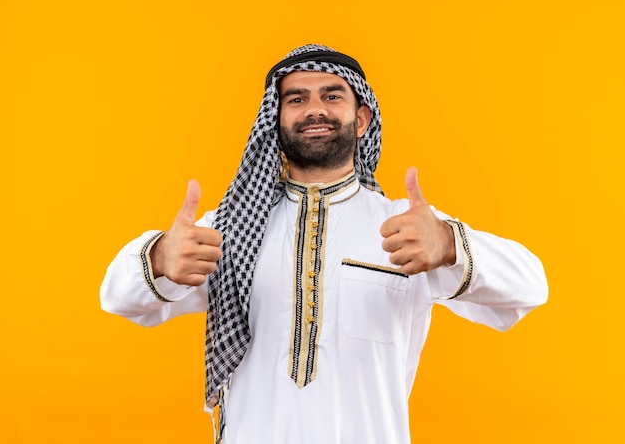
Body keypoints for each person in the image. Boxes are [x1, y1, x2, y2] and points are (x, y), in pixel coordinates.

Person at [100, 44, 548, 444]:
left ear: (362, 119)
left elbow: (531, 287)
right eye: (296, 99)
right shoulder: (233, 228)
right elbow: (117, 297)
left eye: (332, 96)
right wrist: (159, 257)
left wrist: (450, 244)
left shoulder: (408, 229)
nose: (315, 109)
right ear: (275, 123)